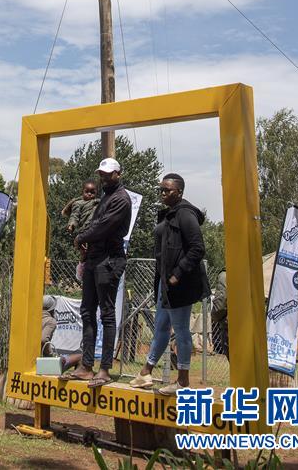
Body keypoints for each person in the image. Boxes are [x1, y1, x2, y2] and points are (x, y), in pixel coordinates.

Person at [130, 173, 210, 395]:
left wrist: (177, 273)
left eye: (168, 190)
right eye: (161, 190)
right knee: (161, 327)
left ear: (180, 192)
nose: (163, 193)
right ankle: (146, 372)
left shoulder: (185, 214)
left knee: (181, 330)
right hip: (164, 283)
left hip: (180, 284)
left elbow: (197, 248)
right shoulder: (169, 214)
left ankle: (183, 381)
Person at [67, 157, 131, 387]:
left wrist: (82, 237)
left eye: (108, 173)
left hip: (109, 260)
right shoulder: (105, 197)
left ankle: (104, 369)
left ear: (118, 173)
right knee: (86, 310)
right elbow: (94, 223)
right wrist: (84, 240)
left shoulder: (121, 199)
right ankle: (85, 365)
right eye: (102, 173)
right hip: (94, 258)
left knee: (106, 314)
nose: (104, 177)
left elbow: (104, 226)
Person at [211, 269, 229, 359]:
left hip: (230, 327)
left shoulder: (225, 275)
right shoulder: (255, 269)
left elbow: (221, 303)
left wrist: (214, 317)